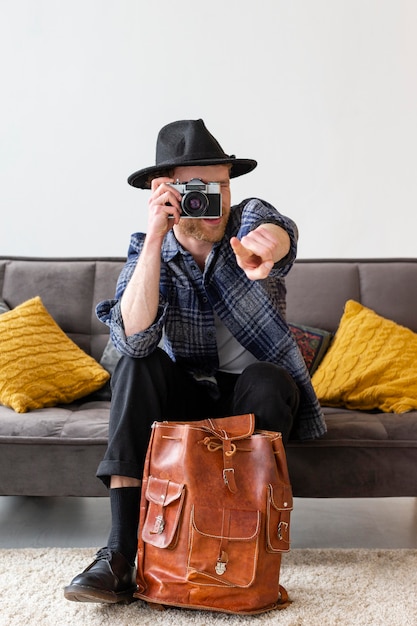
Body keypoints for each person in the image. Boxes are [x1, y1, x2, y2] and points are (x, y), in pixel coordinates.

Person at [64, 118, 326, 604]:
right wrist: (155, 238)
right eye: (196, 189)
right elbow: (136, 338)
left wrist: (267, 245)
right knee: (133, 363)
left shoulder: (247, 219)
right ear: (161, 190)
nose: (213, 200)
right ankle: (119, 555)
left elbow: (278, 232)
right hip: (182, 401)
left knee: (268, 378)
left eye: (220, 186)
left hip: (250, 398)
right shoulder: (150, 250)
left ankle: (243, 554)